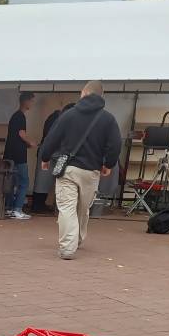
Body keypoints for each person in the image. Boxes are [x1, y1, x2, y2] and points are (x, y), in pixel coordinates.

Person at [41, 80, 122, 260]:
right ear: (101, 96)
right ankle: (77, 239)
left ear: (83, 92)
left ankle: (67, 248)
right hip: (91, 171)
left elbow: (52, 138)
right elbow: (116, 144)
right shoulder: (108, 119)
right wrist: (108, 164)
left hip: (68, 169)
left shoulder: (68, 115)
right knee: (83, 208)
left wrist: (45, 157)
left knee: (66, 208)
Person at [31, 103, 74, 214]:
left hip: (55, 154)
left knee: (47, 180)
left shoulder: (58, 118)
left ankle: (42, 204)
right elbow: (52, 139)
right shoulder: (58, 119)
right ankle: (38, 205)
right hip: (50, 153)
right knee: (43, 180)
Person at [4, 92, 37, 220]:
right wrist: (31, 142)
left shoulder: (15, 116)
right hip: (19, 156)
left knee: (11, 182)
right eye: (32, 101)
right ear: (26, 101)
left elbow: (16, 137)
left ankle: (9, 208)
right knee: (24, 182)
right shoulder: (20, 116)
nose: (32, 103)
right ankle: (17, 209)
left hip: (10, 154)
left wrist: (26, 144)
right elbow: (21, 134)